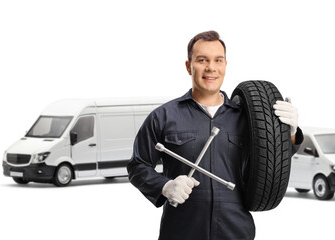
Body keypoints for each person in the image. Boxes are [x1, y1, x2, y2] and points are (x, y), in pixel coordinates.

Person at [127, 30, 303, 240]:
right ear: (188, 66)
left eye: (218, 60)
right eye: (202, 60)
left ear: (225, 66)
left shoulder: (249, 119)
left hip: (235, 230)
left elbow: (272, 161)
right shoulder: (163, 116)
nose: (211, 67)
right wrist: (165, 186)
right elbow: (138, 166)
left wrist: (288, 133)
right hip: (181, 231)